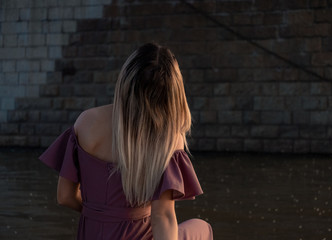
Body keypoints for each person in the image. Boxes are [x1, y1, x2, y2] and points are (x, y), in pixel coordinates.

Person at [39, 43, 213, 240]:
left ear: (126, 80)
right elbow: (162, 216)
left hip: (92, 234)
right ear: (173, 93)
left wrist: (102, 216)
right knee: (201, 229)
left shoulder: (87, 122)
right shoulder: (170, 138)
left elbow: (65, 197)